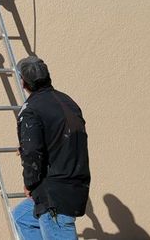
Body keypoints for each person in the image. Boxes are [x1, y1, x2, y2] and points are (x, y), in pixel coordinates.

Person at [12, 56, 91, 240]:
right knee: (22, 218)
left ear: (23, 82)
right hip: (74, 184)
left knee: (54, 225)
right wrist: (25, 145)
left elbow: (33, 152)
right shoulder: (68, 102)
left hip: (54, 194)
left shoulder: (31, 109)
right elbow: (60, 137)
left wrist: (30, 183)